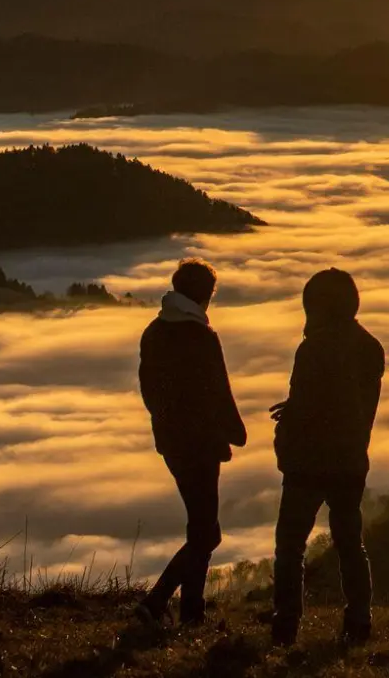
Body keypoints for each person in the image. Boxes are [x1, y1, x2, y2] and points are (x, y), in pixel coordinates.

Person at [270, 268, 386, 648]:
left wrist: (283, 439)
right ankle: (359, 620)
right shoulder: (371, 347)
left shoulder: (313, 348)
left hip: (308, 462)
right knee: (350, 543)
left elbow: (307, 406)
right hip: (351, 459)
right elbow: (351, 404)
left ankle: (286, 625)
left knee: (290, 546)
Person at [135, 259, 247, 626]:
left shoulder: (153, 332)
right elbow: (219, 391)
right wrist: (236, 431)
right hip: (202, 444)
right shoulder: (202, 336)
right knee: (207, 531)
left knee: (199, 527)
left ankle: (191, 612)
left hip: (171, 442)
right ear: (204, 295)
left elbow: (150, 391)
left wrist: (166, 427)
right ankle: (158, 601)